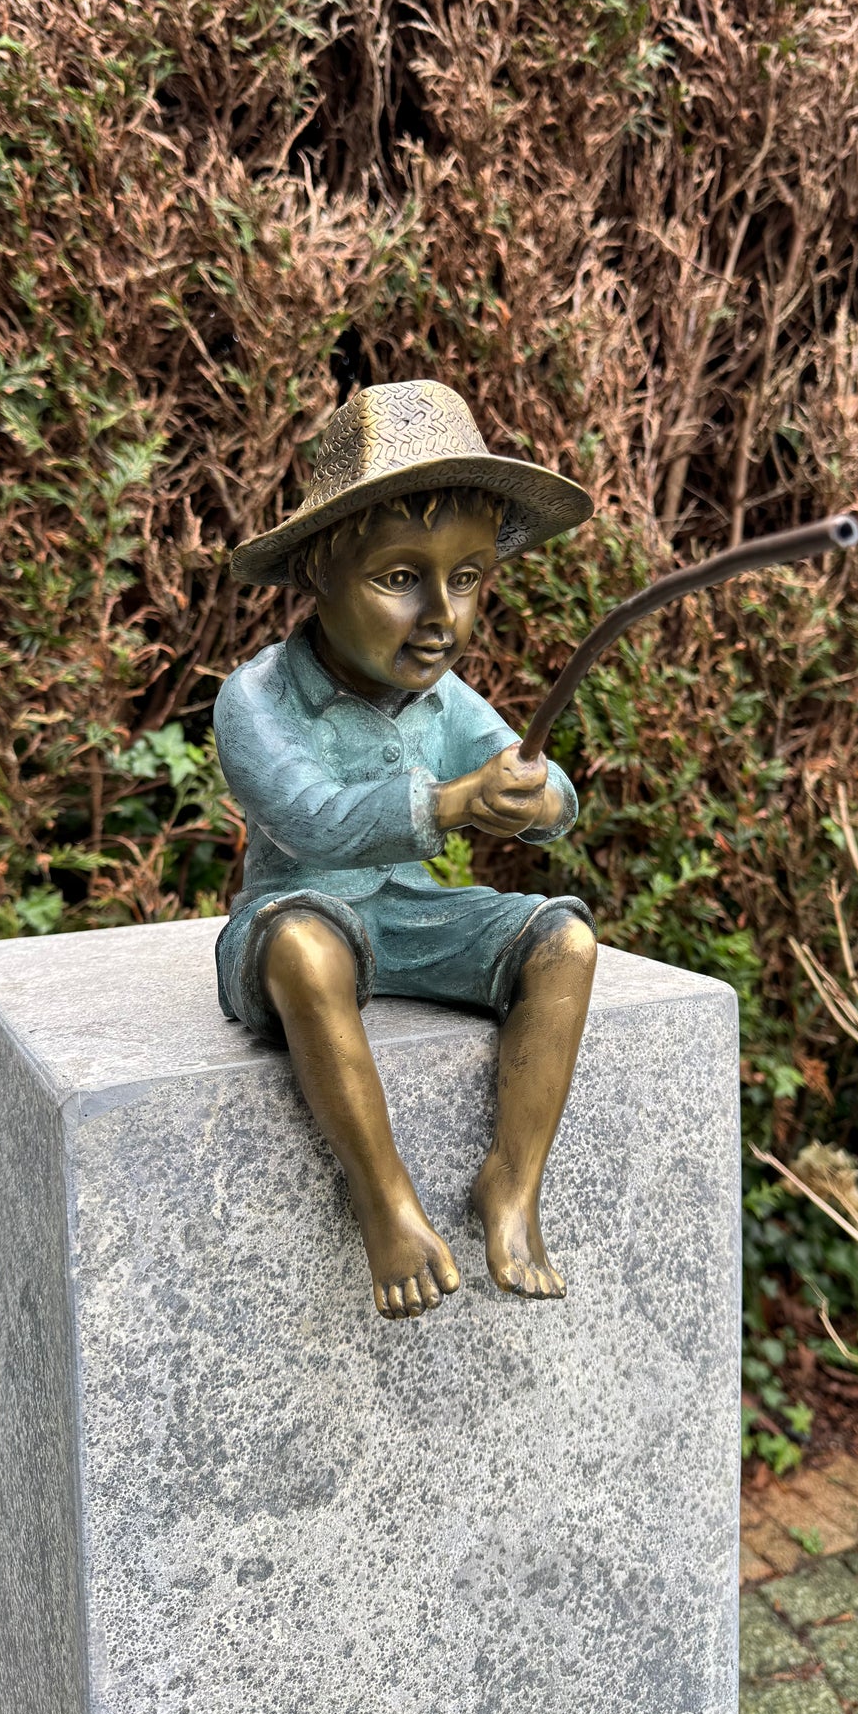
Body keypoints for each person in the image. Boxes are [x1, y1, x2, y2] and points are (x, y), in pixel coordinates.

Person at [214, 379, 598, 1320]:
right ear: (318, 573)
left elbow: (549, 795)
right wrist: (451, 802)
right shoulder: (255, 698)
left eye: (466, 577)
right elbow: (310, 821)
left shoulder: (444, 696)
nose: (442, 615)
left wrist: (531, 794)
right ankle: (383, 1201)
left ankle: (510, 1182)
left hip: (408, 914)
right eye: (401, 577)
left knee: (565, 942)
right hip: (291, 914)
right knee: (310, 949)